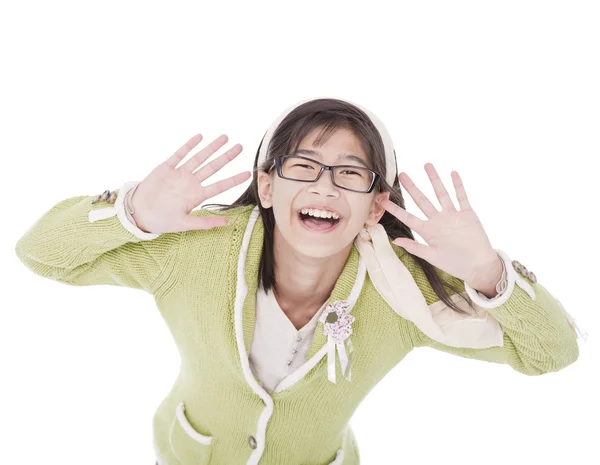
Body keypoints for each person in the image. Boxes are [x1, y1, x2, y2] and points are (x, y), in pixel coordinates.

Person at [14, 96, 586, 465]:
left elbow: (551, 353)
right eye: (304, 167)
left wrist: (488, 272)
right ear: (267, 187)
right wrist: (132, 212)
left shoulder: (404, 294)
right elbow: (41, 254)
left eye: (350, 173)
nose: (325, 187)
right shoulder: (195, 247)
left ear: (375, 205)